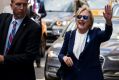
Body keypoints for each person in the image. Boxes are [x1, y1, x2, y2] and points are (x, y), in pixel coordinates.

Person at [58, 5, 112, 80]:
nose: (81, 19)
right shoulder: (69, 35)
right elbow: (61, 54)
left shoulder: (95, 33)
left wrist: (108, 21)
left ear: (90, 22)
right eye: (79, 17)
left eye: (85, 17)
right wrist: (64, 58)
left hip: (91, 77)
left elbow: (107, 35)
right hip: (71, 77)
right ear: (76, 20)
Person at [0, 0, 41, 80]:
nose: (22, 8)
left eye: (25, 5)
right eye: (18, 4)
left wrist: (3, 58)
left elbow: (29, 57)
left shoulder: (34, 28)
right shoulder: (3, 19)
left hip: (20, 75)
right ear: (11, 6)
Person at [28, 0, 46, 68]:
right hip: (29, 25)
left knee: (38, 43)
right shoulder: (28, 2)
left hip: (38, 25)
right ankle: (29, 61)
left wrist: (41, 15)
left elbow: (45, 13)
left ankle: (38, 62)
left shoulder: (40, 2)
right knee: (29, 43)